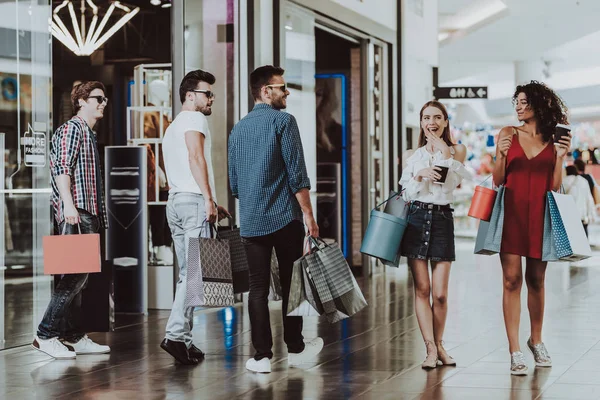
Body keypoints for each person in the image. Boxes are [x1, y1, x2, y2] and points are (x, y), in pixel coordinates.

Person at [228, 65, 324, 374]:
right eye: (281, 87)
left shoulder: (238, 128)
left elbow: (233, 183)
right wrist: (309, 215)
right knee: (290, 283)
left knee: (257, 288)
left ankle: (261, 357)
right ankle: (295, 348)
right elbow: (297, 175)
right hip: (284, 218)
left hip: (252, 220)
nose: (286, 92)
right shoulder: (284, 121)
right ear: (266, 91)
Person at [493, 81, 572, 375]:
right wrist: (499, 156)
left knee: (537, 281)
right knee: (511, 280)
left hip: (541, 216)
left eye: (524, 102)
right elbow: (498, 181)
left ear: (539, 104)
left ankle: (536, 340)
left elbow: (554, 186)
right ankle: (514, 350)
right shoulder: (507, 134)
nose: (518, 106)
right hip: (511, 215)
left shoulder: (555, 140)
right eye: (517, 101)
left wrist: (561, 158)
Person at [33, 81, 111, 359]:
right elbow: (62, 168)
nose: (103, 102)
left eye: (104, 99)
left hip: (86, 212)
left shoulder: (87, 133)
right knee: (74, 276)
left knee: (80, 278)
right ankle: (45, 334)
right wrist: (68, 204)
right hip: (76, 213)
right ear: (81, 101)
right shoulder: (71, 130)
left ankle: (73, 335)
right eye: (97, 98)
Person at [160, 70, 230, 365]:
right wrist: (208, 198)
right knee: (195, 275)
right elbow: (195, 157)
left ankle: (185, 341)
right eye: (207, 93)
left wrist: (211, 200)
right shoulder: (193, 119)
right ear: (190, 95)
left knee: (187, 274)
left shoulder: (172, 125)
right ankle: (175, 335)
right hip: (193, 203)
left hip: (176, 201)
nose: (211, 98)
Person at [399, 100, 470, 369]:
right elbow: (405, 194)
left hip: (442, 219)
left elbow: (457, 183)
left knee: (440, 294)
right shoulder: (411, 156)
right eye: (427, 117)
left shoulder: (456, 150)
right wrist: (418, 176)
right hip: (416, 219)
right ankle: (430, 348)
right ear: (421, 122)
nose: (432, 122)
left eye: (438, 117)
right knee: (423, 289)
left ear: (445, 122)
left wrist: (446, 156)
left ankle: (440, 345)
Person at [564, 165, 595, 237]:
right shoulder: (583, 181)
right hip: (582, 215)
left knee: (571, 237)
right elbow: (589, 199)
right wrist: (590, 214)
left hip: (569, 216)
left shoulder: (564, 181)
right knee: (583, 237)